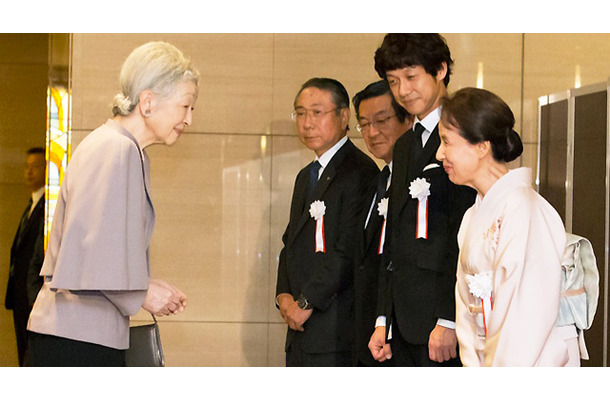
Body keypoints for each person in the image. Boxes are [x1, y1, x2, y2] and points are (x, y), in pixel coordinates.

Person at [26, 41, 197, 367]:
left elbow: (105, 244)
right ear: (147, 102)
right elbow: (91, 250)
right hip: (74, 340)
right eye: (185, 106)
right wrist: (142, 292)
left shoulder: (128, 149)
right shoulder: (115, 149)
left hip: (85, 334)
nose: (188, 119)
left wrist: (145, 283)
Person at [436, 87, 580, 366]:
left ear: (481, 146)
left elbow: (527, 318)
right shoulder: (473, 215)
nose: (440, 154)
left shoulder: (524, 209)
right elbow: (465, 309)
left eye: (446, 141)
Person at [368, 33, 476, 367]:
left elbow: (465, 236)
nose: (403, 91)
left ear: (440, 70)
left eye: (411, 77)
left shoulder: (465, 134)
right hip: (402, 321)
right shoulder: (404, 145)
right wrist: (382, 318)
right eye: (393, 81)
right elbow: (395, 237)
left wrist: (448, 318)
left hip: (440, 320)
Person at [275, 77, 378, 367]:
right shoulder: (305, 175)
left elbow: (348, 250)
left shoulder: (359, 170)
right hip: (300, 330)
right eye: (300, 113)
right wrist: (282, 294)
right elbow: (290, 243)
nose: (307, 123)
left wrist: (306, 302)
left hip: (334, 329)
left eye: (317, 112)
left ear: (344, 116)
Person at [351, 80, 413, 366]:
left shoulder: (417, 182)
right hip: (371, 328)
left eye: (381, 120)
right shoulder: (379, 179)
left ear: (408, 117)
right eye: (364, 124)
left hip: (403, 332)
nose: (372, 132)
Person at [5, 147, 46, 366]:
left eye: (36, 166)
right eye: (27, 166)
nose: (29, 172)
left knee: (33, 356)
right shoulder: (32, 203)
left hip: (34, 295)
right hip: (20, 294)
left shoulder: (47, 206)